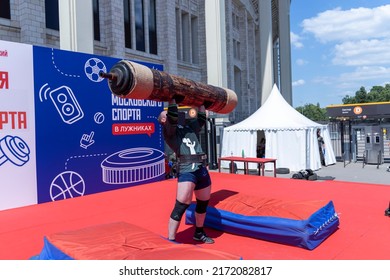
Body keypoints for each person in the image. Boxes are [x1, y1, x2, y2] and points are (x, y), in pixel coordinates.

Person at [158, 99, 214, 244]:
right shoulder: (168, 131)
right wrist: (172, 100)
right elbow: (172, 116)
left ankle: (199, 232)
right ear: (164, 120)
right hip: (187, 169)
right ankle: (170, 240)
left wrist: (201, 104)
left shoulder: (189, 128)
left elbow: (201, 119)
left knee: (203, 203)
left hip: (201, 168)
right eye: (168, 115)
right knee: (181, 204)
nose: (174, 116)